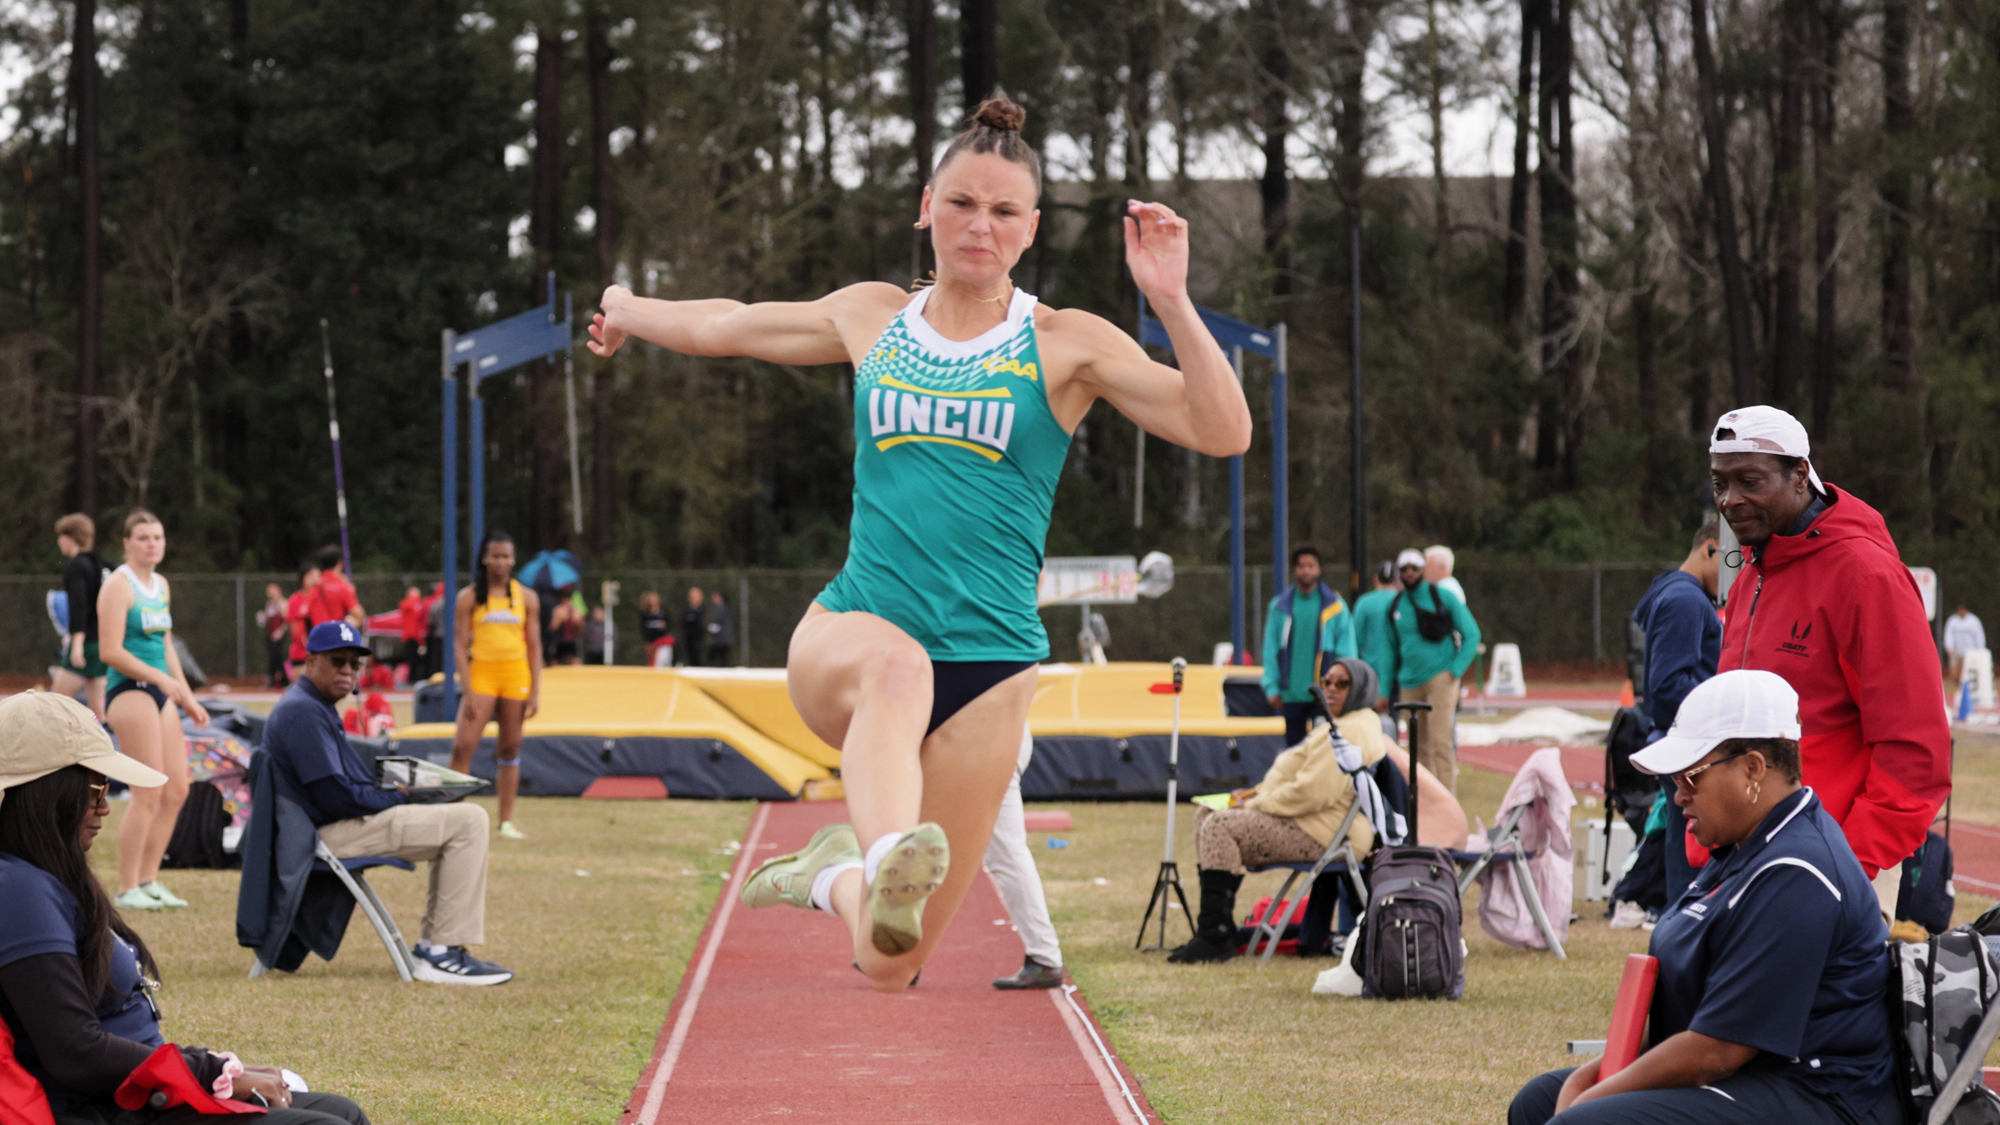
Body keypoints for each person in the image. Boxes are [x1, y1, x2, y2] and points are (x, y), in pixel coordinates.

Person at [590, 96, 1250, 991]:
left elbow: (1222, 430)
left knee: (891, 963)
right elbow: (728, 324)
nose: (981, 225)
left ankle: (833, 870)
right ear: (925, 205)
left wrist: (1170, 299)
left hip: (991, 667)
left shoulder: (1062, 343)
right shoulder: (873, 319)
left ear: (1030, 231)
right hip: (856, 631)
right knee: (899, 667)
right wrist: (628, 304)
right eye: (963, 203)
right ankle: (892, 839)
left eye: (1004, 211)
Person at [1509, 670, 1898, 1125]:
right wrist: (1587, 1081)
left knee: (1582, 1120)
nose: (1678, 795)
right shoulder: (1744, 846)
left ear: (1753, 767)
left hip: (1817, 1096)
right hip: (1752, 1076)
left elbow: (1719, 1051)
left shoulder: (1798, 871)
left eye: (1691, 776)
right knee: (1538, 1101)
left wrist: (1591, 1098)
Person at [0, 691, 376, 1123]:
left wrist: (210, 1066)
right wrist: (213, 1071)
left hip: (140, 1093)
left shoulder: (46, 875)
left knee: (341, 1111)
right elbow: (76, 1053)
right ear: (43, 792)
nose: (105, 805)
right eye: (94, 787)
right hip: (106, 1108)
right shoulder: (20, 889)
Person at [1708, 405, 1950, 918]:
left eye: (1749, 480)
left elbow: (1916, 751)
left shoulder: (1866, 577)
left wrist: (1846, 862)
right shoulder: (1754, 572)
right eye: (1719, 483)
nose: (1730, 500)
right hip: (1746, 858)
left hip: (1832, 867)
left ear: (1800, 475)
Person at [1168, 657, 1463, 964]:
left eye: (1342, 683)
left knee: (1220, 826)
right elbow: (1296, 780)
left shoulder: (1354, 730)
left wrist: (1254, 804)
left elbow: (1312, 793)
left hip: (1323, 832)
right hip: (1308, 822)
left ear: (1362, 688)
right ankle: (1219, 929)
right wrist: (1253, 795)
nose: (1331, 689)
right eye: (1327, 682)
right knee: (1207, 814)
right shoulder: (1340, 724)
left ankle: (1214, 937)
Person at [264, 623, 513, 985]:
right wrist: (400, 796)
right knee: (469, 820)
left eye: (355, 663)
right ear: (311, 661)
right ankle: (441, 952)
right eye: (338, 661)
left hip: (322, 831)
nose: (348, 671)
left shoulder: (311, 705)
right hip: (324, 837)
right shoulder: (304, 712)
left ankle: (436, 947)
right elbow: (338, 799)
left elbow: (341, 789)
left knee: (460, 817)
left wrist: (407, 794)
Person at [96, 509, 207, 912]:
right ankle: (127, 888)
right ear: (126, 542)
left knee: (177, 789)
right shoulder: (117, 585)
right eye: (142, 537)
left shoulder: (160, 584)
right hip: (130, 690)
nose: (152, 544)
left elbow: (164, 644)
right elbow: (110, 651)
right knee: (148, 789)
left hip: (160, 690)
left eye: (157, 537)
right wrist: (159, 680)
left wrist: (186, 696)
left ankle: (149, 880)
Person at [1631, 513, 1724, 909]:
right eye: (1733, 561)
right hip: (1691, 744)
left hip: (1682, 740)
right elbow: (1667, 685)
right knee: (1693, 853)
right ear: (1709, 549)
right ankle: (1686, 927)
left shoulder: (1675, 593)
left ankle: (1682, 926)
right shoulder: (1685, 599)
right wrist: (1726, 702)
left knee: (1685, 844)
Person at [447, 531, 541, 841]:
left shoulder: (526, 597)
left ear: (513, 560)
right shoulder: (470, 597)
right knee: (464, 744)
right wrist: (468, 688)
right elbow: (459, 644)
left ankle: (506, 821)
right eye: (495, 556)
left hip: (515, 677)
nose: (500, 562)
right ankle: (456, 814)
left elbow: (535, 646)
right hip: (483, 675)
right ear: (485, 558)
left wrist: (536, 690)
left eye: (506, 556)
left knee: (510, 746)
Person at [1387, 547, 1481, 793]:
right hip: (1408, 681)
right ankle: (1423, 800)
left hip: (1441, 676)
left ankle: (1448, 800)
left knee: (1440, 741)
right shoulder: (1396, 604)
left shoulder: (1443, 596)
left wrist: (1455, 670)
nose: (1409, 574)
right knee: (1418, 747)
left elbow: (1472, 634)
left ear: (1422, 571)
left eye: (1414, 568)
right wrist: (1387, 684)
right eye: (1404, 569)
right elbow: (1391, 648)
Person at [983, 728, 1064, 989]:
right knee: (934, 844)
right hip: (987, 737)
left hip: (987, 739)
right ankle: (905, 955)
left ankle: (1045, 957)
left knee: (1006, 854)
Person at [1259, 545, 1357, 745]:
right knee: (1294, 752)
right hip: (1291, 693)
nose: (1306, 571)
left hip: (1326, 692)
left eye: (1311, 566)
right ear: (1294, 569)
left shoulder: (1336, 606)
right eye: (1301, 566)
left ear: (1319, 569)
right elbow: (1270, 649)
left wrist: (1342, 686)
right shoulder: (1279, 606)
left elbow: (1347, 651)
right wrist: (1272, 687)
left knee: (1326, 749)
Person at [52, 514, 110, 721]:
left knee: (53, 704)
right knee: (99, 713)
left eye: (61, 536)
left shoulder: (76, 565)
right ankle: (104, 749)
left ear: (70, 537)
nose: (59, 541)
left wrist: (77, 642)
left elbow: (79, 606)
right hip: (105, 643)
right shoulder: (102, 564)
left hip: (88, 644)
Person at [1350, 560, 1399, 713]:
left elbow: (1356, 639)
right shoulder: (1402, 600)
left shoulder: (1365, 603)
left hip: (1370, 670)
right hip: (1399, 669)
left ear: (1375, 578)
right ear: (1396, 579)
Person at [304, 546, 365, 629]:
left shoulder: (313, 588)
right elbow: (359, 615)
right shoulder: (343, 587)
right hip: (336, 637)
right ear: (340, 563)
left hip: (318, 637)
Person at [284, 565, 320, 683]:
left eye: (317, 577)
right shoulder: (295, 599)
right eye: (311, 576)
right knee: (300, 689)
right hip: (301, 653)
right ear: (303, 579)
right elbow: (295, 630)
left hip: (320, 653)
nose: (315, 580)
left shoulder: (320, 600)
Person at [1944, 604, 1987, 693]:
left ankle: (1965, 690)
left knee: (1965, 673)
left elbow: (1979, 636)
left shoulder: (1973, 621)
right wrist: (1949, 647)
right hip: (1956, 652)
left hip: (1970, 653)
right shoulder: (1953, 621)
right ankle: (1957, 689)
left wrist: (1980, 650)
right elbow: (1948, 635)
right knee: (1954, 673)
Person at [257, 582, 290, 687]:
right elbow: (266, 619)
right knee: (273, 657)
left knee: (277, 657)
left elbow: (286, 619)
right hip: (270, 634)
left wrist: (280, 631)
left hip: (278, 635)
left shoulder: (282, 603)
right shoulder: (269, 604)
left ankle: (281, 680)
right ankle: (276, 680)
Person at [397, 584, 427, 681]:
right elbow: (406, 606)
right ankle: (411, 679)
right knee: (411, 660)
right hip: (410, 637)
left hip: (418, 638)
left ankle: (416, 679)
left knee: (418, 661)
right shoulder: (406, 604)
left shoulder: (418, 605)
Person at [637, 591, 672, 667]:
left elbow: (669, 625)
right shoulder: (645, 614)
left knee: (662, 661)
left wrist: (664, 627)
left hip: (663, 643)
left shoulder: (664, 612)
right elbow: (643, 629)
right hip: (651, 643)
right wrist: (647, 643)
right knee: (652, 662)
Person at [679, 586, 707, 667]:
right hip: (688, 638)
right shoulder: (687, 610)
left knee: (699, 658)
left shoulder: (703, 609)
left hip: (699, 639)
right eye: (692, 597)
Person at [707, 590, 735, 667]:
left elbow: (717, 623)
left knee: (712, 659)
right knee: (724, 660)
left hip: (720, 640)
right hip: (725, 639)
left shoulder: (720, 608)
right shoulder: (726, 608)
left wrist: (709, 628)